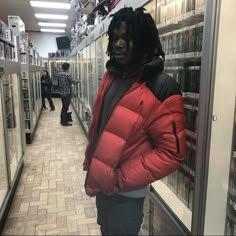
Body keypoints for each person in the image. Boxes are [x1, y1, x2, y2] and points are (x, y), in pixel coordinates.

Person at [83, 7, 186, 236]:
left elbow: (172, 153)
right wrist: (92, 162)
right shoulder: (112, 75)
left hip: (127, 196)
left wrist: (119, 178)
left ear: (143, 41)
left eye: (127, 39)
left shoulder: (162, 88)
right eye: (116, 38)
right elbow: (100, 127)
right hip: (102, 187)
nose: (118, 44)